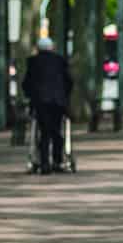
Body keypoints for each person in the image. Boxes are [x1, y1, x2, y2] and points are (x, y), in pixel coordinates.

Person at [23, 37, 73, 173]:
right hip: (58, 101)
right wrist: (65, 96)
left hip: (41, 101)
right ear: (52, 47)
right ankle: (58, 161)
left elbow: (27, 82)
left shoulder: (33, 61)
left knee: (44, 132)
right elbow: (68, 81)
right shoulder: (60, 60)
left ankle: (44, 163)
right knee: (56, 131)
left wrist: (29, 96)